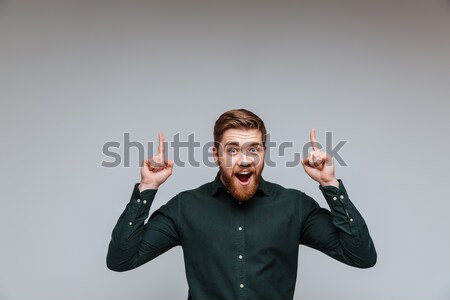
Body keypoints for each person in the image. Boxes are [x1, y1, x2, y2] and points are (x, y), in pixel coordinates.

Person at [106, 108, 377, 300]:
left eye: (253, 149)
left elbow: (361, 257)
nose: (245, 160)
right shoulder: (185, 207)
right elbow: (121, 259)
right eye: (233, 150)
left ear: (264, 153)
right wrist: (147, 188)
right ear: (216, 155)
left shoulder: (294, 206)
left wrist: (330, 185)